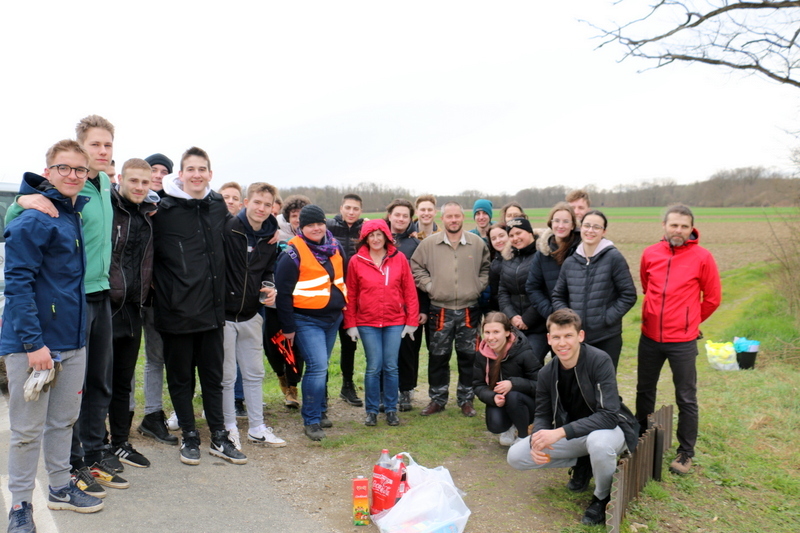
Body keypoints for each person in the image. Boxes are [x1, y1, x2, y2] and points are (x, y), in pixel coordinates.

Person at [7, 115, 124, 492]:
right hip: (67, 300)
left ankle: (92, 454)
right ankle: (68, 467)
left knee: (96, 382)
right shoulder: (52, 198)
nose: (102, 151)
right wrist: (24, 200)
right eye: (95, 145)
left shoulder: (105, 185)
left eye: (108, 145)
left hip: (98, 293)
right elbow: (18, 224)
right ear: (81, 149)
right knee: (61, 397)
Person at [2, 140, 104, 530]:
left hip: (71, 340)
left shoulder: (70, 215)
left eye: (80, 170)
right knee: (27, 431)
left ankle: (60, 486)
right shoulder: (35, 218)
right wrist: (33, 344)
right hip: (34, 345)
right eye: (64, 168)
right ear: (48, 172)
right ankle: (20, 506)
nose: (73, 176)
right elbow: (17, 284)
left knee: (63, 421)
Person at [152, 146, 246, 465]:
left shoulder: (217, 204)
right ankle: (189, 436)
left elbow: (242, 230)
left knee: (212, 378)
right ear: (180, 174)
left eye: (202, 169)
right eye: (190, 169)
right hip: (175, 312)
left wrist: (274, 232)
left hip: (211, 312)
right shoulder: (161, 208)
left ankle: (219, 437)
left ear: (210, 174)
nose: (196, 175)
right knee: (181, 379)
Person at [507, 309, 639, 526]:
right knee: (516, 456)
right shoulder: (546, 373)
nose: (562, 343)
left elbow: (609, 416)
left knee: (598, 444)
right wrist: (538, 438)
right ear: (548, 339)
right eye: (556, 337)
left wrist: (559, 432)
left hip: (610, 431)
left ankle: (601, 497)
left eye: (568, 336)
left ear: (580, 336)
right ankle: (585, 462)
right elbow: (542, 413)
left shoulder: (599, 361)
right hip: (575, 435)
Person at [635, 204, 721, 475]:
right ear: (664, 226)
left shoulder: (703, 257)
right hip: (650, 337)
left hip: (682, 341)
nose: (678, 230)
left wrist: (690, 322)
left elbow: (713, 298)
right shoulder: (650, 254)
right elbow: (647, 288)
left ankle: (685, 453)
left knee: (686, 396)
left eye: (684, 226)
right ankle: (639, 438)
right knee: (644, 390)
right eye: (674, 225)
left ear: (691, 229)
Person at [221, 182, 286, 449]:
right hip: (223, 315)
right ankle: (228, 427)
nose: (261, 208)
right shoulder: (227, 228)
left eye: (267, 204)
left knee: (254, 373)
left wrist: (270, 287)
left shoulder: (271, 236)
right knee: (226, 377)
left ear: (273, 207)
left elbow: (268, 270)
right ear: (246, 202)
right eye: (256, 202)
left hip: (251, 315)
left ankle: (257, 427)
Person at [410, 202, 490, 417]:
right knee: (438, 357)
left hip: (469, 309)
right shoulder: (429, 244)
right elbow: (416, 266)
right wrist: (429, 286)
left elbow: (486, 268)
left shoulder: (476, 243)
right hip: (440, 310)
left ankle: (466, 399)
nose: (453, 220)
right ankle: (437, 399)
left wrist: (477, 285)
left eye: (457, 216)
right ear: (443, 218)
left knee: (468, 358)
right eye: (449, 216)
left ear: (463, 218)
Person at [275, 205, 347, 441]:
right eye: (310, 225)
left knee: (322, 366)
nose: (316, 228)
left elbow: (340, 279)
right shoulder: (291, 255)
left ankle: (321, 408)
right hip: (306, 320)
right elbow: (283, 294)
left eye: (319, 223)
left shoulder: (336, 248)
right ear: (300, 228)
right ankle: (312, 419)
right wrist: (288, 328)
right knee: (317, 367)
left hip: (332, 318)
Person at [107, 159, 157, 469]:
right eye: (134, 180)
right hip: (106, 307)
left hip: (134, 308)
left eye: (145, 182)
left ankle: (120, 442)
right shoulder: (107, 206)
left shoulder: (150, 213)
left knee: (125, 379)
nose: (139, 187)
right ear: (122, 178)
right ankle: (95, 444)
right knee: (100, 380)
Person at [344, 219, 418, 426]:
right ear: (365, 238)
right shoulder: (356, 261)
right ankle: (372, 410)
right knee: (374, 366)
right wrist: (350, 323)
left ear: (386, 236)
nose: (376, 239)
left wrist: (411, 320)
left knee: (391, 366)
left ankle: (392, 409)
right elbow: (351, 294)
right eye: (371, 235)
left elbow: (409, 291)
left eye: (379, 235)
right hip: (367, 322)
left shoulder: (399, 258)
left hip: (395, 321)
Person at [552, 210, 637, 370]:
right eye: (587, 225)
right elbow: (558, 296)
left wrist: (606, 318)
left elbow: (628, 295)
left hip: (606, 337)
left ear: (603, 231)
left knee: (604, 386)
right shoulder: (570, 262)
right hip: (576, 338)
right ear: (581, 228)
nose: (590, 230)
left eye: (596, 227)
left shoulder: (614, 258)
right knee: (578, 386)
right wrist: (569, 320)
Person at [137, 152, 179, 446]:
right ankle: (121, 414)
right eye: (153, 169)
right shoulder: (128, 201)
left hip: (156, 295)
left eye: (164, 171)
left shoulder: (171, 207)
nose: (157, 174)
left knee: (156, 357)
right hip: (124, 294)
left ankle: (152, 414)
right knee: (121, 361)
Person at [473, 312, 541, 447]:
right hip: (501, 400)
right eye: (487, 332)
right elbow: (478, 385)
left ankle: (523, 436)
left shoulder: (524, 352)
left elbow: (540, 384)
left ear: (507, 332)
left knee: (513, 396)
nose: (490, 337)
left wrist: (513, 384)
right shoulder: (481, 355)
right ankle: (509, 427)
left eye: (496, 332)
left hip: (527, 403)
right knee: (495, 426)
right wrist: (492, 397)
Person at [526, 202, 580, 364]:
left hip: (578, 321)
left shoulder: (582, 250)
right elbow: (532, 287)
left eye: (565, 221)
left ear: (572, 225)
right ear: (550, 223)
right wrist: (552, 313)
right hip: (550, 321)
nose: (560, 225)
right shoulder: (542, 253)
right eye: (557, 221)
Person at [386, 199, 427, 412]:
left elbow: (423, 278)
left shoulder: (416, 245)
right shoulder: (379, 240)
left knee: (409, 350)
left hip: (411, 307)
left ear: (410, 219)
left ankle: (406, 390)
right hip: (386, 307)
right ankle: (386, 391)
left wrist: (423, 309)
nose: (401, 219)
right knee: (387, 352)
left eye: (405, 216)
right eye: (397, 214)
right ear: (390, 215)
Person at [326, 194, 365, 408]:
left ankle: (347, 385)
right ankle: (321, 388)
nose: (351, 212)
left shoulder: (364, 230)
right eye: (348, 208)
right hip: (331, 294)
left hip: (355, 296)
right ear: (341, 208)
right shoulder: (328, 227)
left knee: (350, 343)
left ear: (360, 211)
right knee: (326, 345)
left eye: (355, 209)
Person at [497, 218, 546, 357]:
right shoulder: (508, 259)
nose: (515, 238)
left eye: (519, 233)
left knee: (531, 361)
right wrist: (512, 316)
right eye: (511, 235)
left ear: (530, 232)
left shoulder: (542, 256)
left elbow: (546, 291)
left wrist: (527, 319)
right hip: (514, 325)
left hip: (538, 326)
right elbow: (503, 292)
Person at [486, 223, 510, 313]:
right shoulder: (494, 266)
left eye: (501, 236)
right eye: (493, 239)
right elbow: (495, 295)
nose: (498, 241)